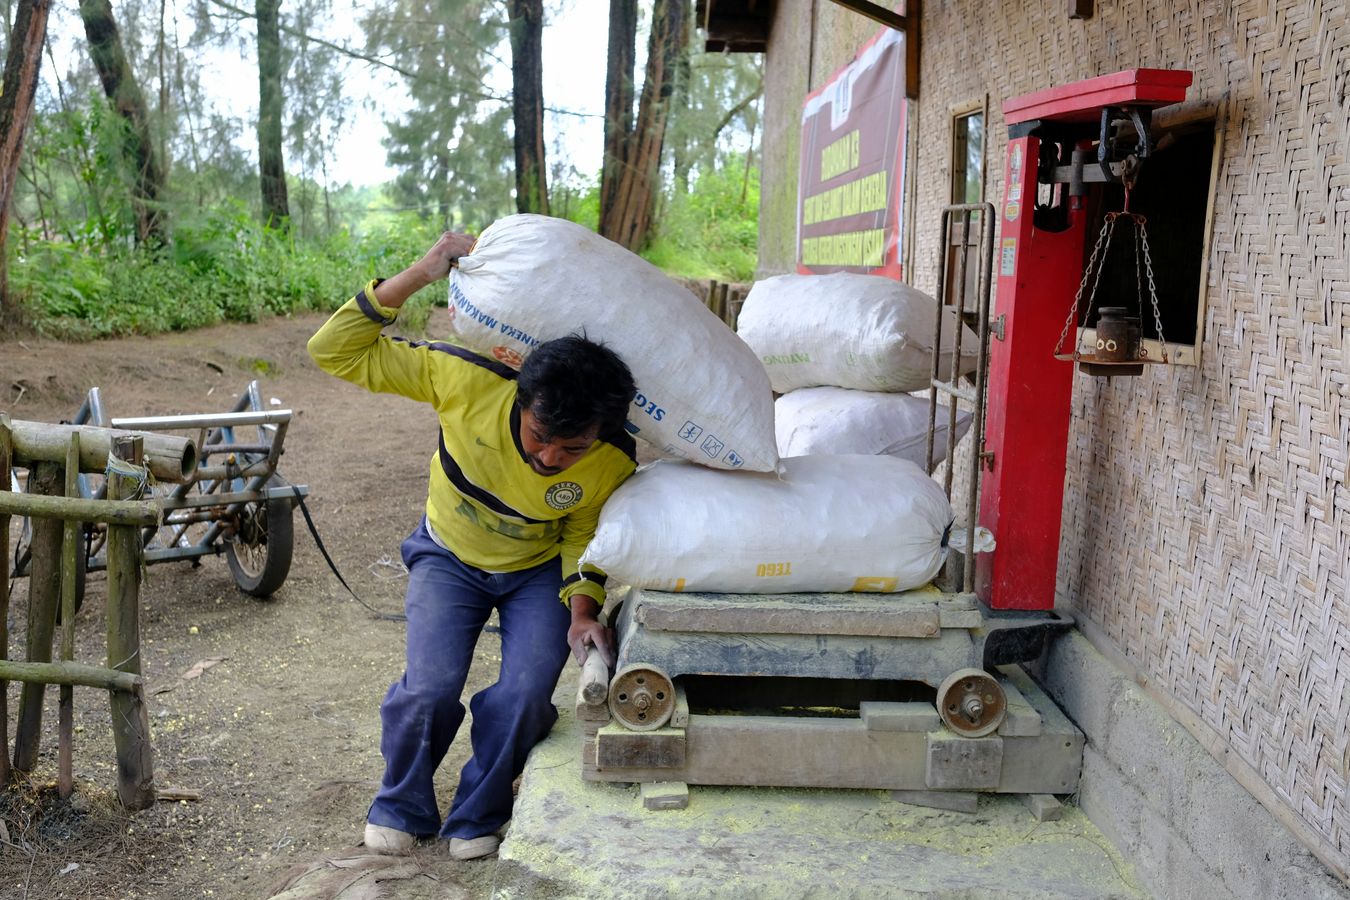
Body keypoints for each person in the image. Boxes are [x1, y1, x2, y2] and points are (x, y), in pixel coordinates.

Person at [307, 231, 637, 860]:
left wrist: (582, 612)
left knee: (523, 696)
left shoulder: (613, 462)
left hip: (536, 571)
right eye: (540, 436)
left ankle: (479, 811)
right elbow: (334, 352)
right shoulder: (465, 380)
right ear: (520, 398)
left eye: (571, 450)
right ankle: (401, 805)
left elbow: (579, 534)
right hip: (448, 557)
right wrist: (421, 273)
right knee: (428, 690)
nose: (549, 458)